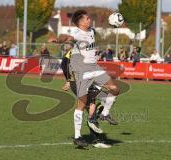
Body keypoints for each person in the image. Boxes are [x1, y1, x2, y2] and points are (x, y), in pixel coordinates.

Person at [48, 10, 119, 148]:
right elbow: (65, 37)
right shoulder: (77, 34)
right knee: (84, 104)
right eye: (87, 18)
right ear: (80, 22)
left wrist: (113, 23)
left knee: (115, 89)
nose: (89, 19)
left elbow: (102, 27)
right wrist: (57, 40)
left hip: (95, 68)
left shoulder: (91, 31)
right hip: (82, 72)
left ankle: (104, 114)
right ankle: (78, 136)